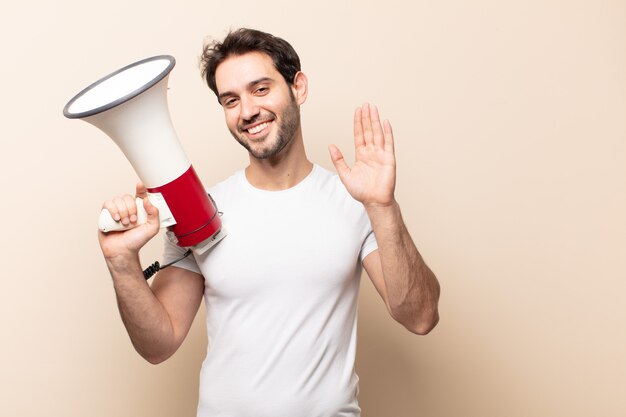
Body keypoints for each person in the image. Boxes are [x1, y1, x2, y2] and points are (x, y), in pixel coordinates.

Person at [98, 28, 440, 417]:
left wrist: (383, 206)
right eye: (231, 100)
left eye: (260, 89)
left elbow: (420, 316)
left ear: (298, 87)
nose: (247, 112)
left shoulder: (355, 202)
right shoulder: (201, 212)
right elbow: (158, 345)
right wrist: (121, 263)